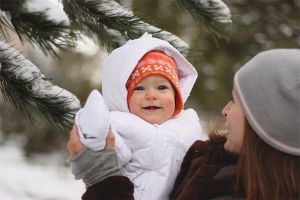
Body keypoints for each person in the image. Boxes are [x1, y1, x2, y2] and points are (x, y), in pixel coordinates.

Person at [68, 48, 300, 200]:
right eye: (140, 88)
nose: (225, 110)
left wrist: (102, 178)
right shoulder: (214, 158)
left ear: (267, 123)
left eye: (235, 101)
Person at [67, 33, 202, 200]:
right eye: (140, 88)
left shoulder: (188, 124)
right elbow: (109, 149)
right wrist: (93, 131)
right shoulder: (125, 124)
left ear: (177, 95)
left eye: (161, 88)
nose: (151, 95)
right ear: (125, 97)